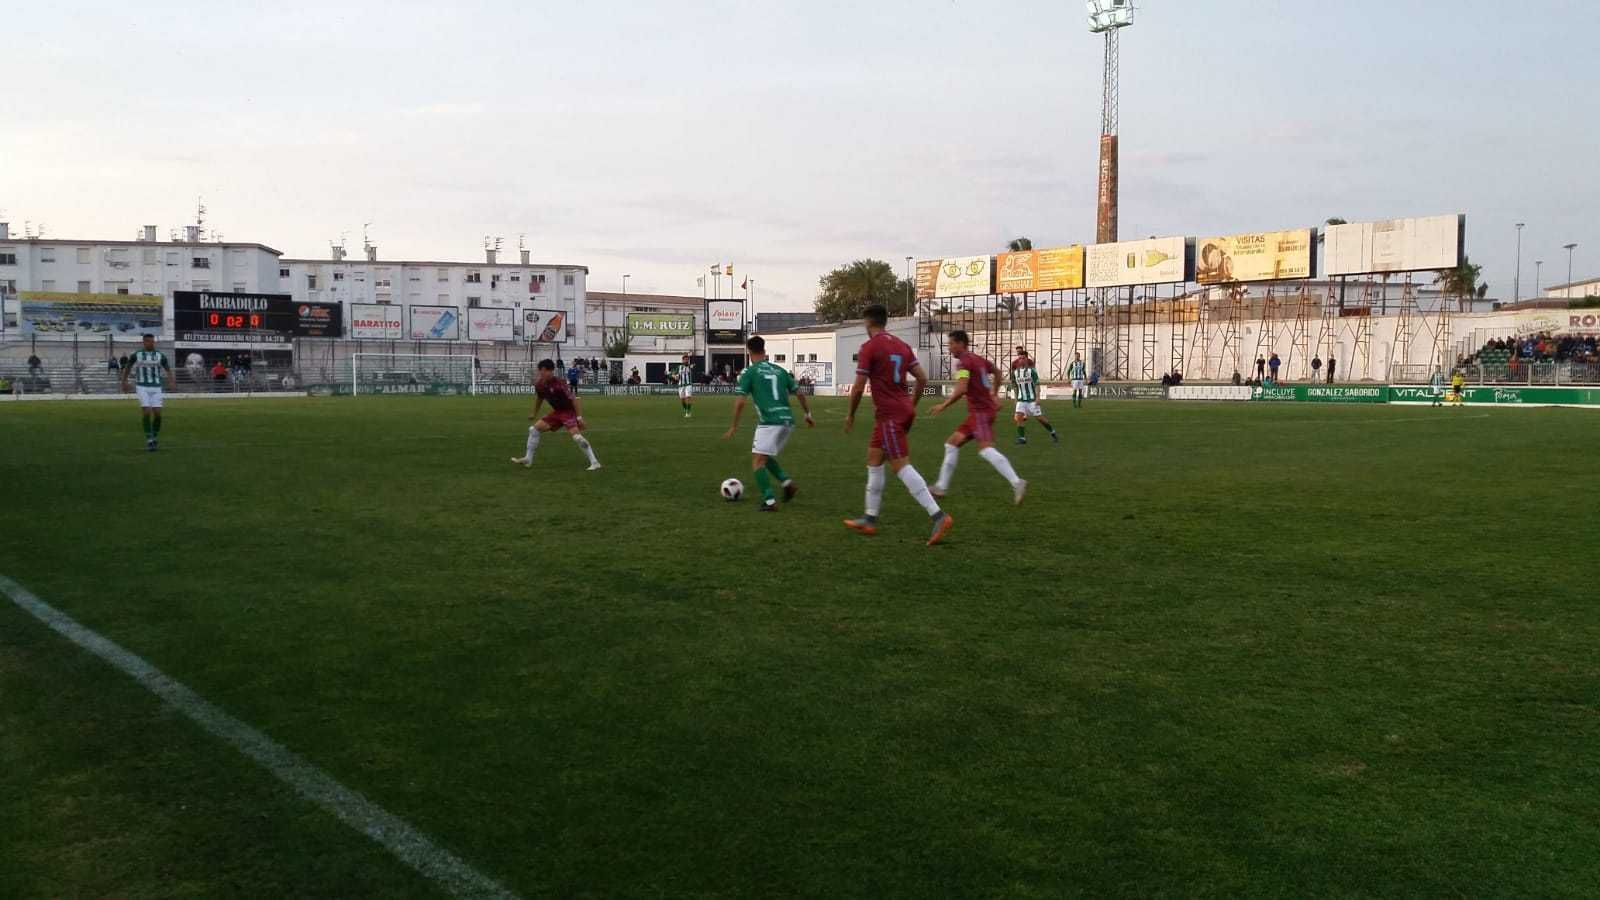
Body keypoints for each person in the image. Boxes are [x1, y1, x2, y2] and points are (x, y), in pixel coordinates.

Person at [842, 305, 952, 544]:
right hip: (898, 411)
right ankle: (869, 519)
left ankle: (939, 516)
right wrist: (910, 403)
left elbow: (859, 387)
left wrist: (850, 414)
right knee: (874, 459)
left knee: (900, 466)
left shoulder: (869, 347)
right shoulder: (902, 346)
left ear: (867, 323)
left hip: (889, 414)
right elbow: (922, 378)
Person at [927, 331, 1027, 504]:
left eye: (951, 344)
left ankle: (1017, 482)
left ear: (960, 344)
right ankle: (941, 487)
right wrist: (994, 395)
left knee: (985, 449)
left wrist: (943, 405)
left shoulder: (963, 363)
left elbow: (962, 388)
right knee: (951, 444)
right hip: (980, 412)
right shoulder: (978, 359)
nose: (949, 348)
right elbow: (998, 372)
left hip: (981, 412)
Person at [723, 336, 815, 511]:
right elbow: (800, 393)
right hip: (788, 421)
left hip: (770, 422)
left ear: (749, 353)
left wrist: (734, 425)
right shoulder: (780, 371)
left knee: (757, 461)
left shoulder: (749, 372)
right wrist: (808, 414)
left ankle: (769, 501)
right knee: (764, 456)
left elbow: (740, 402)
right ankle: (787, 484)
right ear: (764, 351)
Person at [511, 359, 601, 471]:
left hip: (568, 412)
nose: (542, 373)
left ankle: (595, 462)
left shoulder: (560, 383)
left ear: (551, 371)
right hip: (557, 413)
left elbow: (575, 400)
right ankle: (528, 459)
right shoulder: (539, 385)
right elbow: (539, 398)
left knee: (578, 438)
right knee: (534, 430)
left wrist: (579, 418)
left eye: (545, 371)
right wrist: (534, 413)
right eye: (541, 371)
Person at [119, 333, 175, 451]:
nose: (151, 343)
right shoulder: (137, 355)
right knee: (147, 411)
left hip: (156, 387)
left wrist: (171, 381)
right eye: (149, 341)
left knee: (158, 414)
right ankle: (149, 439)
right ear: (144, 342)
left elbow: (168, 369)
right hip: (142, 386)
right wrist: (124, 382)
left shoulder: (160, 356)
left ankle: (154, 436)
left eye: (153, 341)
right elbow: (128, 368)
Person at [1009, 349, 1058, 445]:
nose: (1021, 360)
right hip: (1021, 399)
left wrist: (1038, 397)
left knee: (1040, 418)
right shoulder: (1015, 373)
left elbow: (1037, 384)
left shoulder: (1032, 371)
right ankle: (1022, 438)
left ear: (1026, 360)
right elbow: (1014, 385)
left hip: (1031, 399)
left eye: (1023, 358)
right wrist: (1015, 398)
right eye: (1019, 359)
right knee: (1019, 417)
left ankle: (1052, 432)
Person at [675, 354, 695, 418]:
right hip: (681, 385)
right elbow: (675, 375)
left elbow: (692, 366)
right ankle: (686, 408)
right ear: (683, 360)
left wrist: (691, 366)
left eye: (687, 359)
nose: (686, 360)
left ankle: (688, 413)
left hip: (688, 384)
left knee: (688, 397)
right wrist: (675, 377)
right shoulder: (679, 367)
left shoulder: (689, 366)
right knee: (682, 399)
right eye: (685, 359)